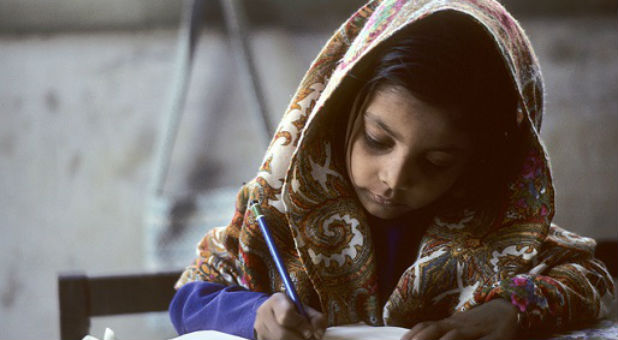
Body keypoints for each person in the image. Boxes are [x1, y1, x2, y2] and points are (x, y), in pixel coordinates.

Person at [169, 1, 615, 339]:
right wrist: (254, 315)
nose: (395, 179)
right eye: (378, 140)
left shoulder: (499, 228)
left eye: (437, 162)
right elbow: (189, 297)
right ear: (338, 111)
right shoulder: (275, 209)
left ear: (480, 159)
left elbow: (593, 280)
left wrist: (510, 311)